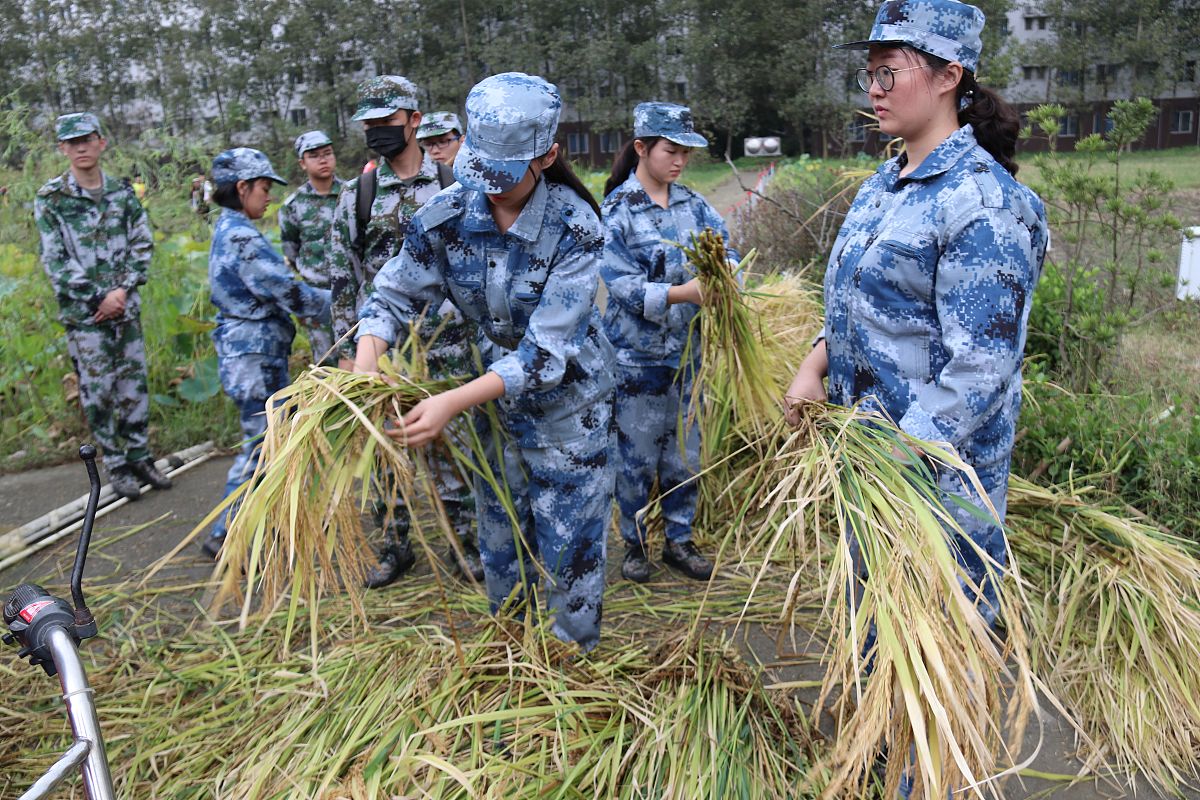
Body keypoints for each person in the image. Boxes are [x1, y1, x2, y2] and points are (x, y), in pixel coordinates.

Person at [785, 0, 1047, 642]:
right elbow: (863, 301)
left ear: (949, 76)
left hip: (937, 482)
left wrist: (900, 455)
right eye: (869, 75)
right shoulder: (887, 182)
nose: (873, 91)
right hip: (872, 461)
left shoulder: (983, 204)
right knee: (876, 629)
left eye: (889, 72)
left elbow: (981, 369)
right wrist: (815, 365)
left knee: (941, 643)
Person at [353, 72, 616, 652]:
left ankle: (571, 664)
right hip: (494, 412)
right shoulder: (447, 215)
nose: (491, 190)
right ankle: (510, 656)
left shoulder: (576, 228)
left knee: (570, 549)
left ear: (547, 157)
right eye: (483, 172)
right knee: (500, 538)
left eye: (507, 175)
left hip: (569, 411)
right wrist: (366, 364)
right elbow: (391, 295)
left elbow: (545, 354)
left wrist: (449, 401)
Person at [327, 74, 481, 587]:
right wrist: (348, 351)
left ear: (414, 120)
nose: (377, 132)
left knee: (453, 451)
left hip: (448, 348)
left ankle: (465, 544)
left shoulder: (454, 184)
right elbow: (342, 275)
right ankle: (395, 547)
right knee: (383, 453)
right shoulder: (358, 195)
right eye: (369, 124)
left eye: (387, 121)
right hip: (382, 350)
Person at [600, 102, 733, 584]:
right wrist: (683, 293)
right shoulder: (617, 212)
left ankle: (680, 539)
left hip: (686, 355)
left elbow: (727, 250)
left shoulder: (693, 205)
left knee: (684, 455)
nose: (679, 162)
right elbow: (622, 286)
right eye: (670, 151)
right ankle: (635, 545)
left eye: (685, 153)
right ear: (641, 148)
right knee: (635, 458)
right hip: (635, 360)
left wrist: (726, 277)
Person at [199, 148, 331, 559]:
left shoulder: (231, 227)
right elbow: (285, 289)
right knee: (261, 444)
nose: (269, 197)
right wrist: (341, 303)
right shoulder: (240, 236)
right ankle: (228, 532)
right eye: (263, 188)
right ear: (242, 188)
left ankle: (257, 524)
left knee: (267, 441)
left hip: (253, 351)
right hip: (254, 354)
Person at [34, 112, 173, 500]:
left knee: (133, 387)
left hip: (124, 309)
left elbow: (142, 243)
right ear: (63, 148)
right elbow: (55, 259)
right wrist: (98, 297)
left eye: (87, 139)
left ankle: (140, 457)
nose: (80, 147)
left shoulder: (122, 194)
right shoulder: (52, 199)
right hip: (86, 316)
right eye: (72, 142)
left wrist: (122, 291)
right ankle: (115, 463)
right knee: (98, 393)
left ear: (101, 143)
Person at [278, 130, 343, 366]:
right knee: (325, 360)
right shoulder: (293, 206)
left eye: (327, 153)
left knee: (359, 357)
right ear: (302, 163)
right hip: (316, 294)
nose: (323, 160)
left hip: (351, 289)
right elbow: (291, 250)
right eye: (314, 155)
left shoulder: (353, 194)